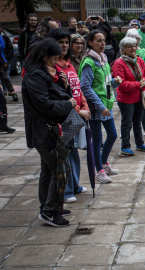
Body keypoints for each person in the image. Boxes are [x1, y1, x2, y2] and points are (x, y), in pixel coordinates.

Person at [22, 38, 75, 226]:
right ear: (44, 56)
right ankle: (50, 212)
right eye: (53, 59)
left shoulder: (43, 73)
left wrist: (63, 86)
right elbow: (44, 104)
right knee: (61, 169)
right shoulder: (35, 76)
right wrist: (68, 103)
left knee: (48, 169)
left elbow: (53, 96)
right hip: (43, 130)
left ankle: (49, 206)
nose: (56, 62)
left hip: (46, 129)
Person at [48, 28, 90, 203]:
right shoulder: (52, 67)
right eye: (61, 42)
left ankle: (75, 185)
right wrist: (78, 110)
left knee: (73, 154)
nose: (64, 45)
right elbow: (59, 96)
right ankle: (65, 191)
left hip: (77, 114)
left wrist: (85, 107)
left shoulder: (69, 63)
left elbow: (77, 89)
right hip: (65, 116)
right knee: (64, 155)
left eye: (66, 42)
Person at [78, 30, 122, 183]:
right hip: (97, 107)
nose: (103, 43)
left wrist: (115, 82)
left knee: (112, 135)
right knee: (97, 139)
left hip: (106, 104)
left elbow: (105, 84)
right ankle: (99, 170)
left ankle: (103, 162)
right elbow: (86, 87)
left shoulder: (103, 59)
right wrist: (99, 105)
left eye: (103, 40)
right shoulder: (89, 62)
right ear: (90, 42)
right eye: (98, 40)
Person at [112, 37, 145, 156]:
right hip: (126, 98)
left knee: (138, 122)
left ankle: (139, 144)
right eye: (130, 46)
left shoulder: (139, 60)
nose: (133, 48)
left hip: (139, 97)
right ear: (123, 50)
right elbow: (122, 84)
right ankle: (125, 146)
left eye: (134, 46)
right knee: (127, 122)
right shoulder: (119, 63)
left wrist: (144, 81)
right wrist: (139, 84)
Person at [0, 24, 17, 102]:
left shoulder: (3, 37)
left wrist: (6, 59)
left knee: (6, 78)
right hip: (2, 60)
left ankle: (12, 92)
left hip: (2, 60)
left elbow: (4, 47)